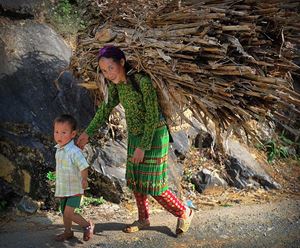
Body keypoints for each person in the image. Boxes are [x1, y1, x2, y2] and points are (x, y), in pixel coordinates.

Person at [76, 45, 193, 235]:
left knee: (155, 185)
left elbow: (153, 115)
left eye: (110, 68)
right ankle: (143, 218)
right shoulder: (116, 87)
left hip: (154, 135)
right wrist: (87, 133)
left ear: (122, 62)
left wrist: (143, 147)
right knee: (135, 180)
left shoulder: (141, 82)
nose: (107, 74)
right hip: (136, 135)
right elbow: (105, 110)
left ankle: (184, 211)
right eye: (104, 71)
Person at [53, 114, 94, 241]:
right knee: (64, 213)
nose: (59, 136)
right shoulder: (59, 150)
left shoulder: (74, 152)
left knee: (69, 213)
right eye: (56, 132)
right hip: (63, 188)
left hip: (74, 189)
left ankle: (87, 225)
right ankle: (68, 232)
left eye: (64, 132)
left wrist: (84, 179)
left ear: (73, 134)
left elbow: (83, 166)